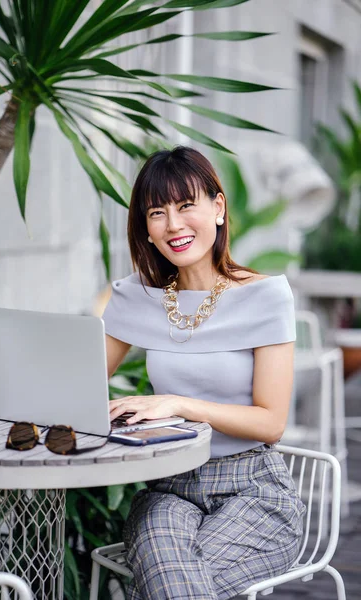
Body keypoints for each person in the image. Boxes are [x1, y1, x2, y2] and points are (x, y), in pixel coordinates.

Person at [102, 146, 305, 600]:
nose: (173, 224)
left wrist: (178, 404)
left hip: (253, 489)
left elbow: (271, 423)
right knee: (170, 584)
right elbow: (78, 382)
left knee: (166, 588)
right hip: (167, 489)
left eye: (185, 205)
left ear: (218, 208)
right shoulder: (141, 298)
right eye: (157, 212)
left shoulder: (265, 297)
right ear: (146, 229)